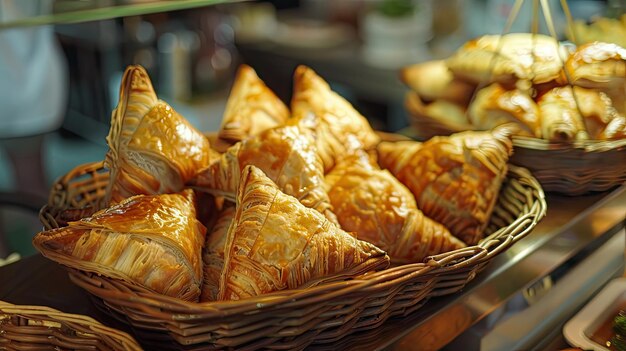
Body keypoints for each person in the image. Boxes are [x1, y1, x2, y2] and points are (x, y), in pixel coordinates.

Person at [0, 1, 68, 256]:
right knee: (32, 183)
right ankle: (50, 267)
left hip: (23, 77)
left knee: (31, 184)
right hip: (30, 79)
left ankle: (43, 267)